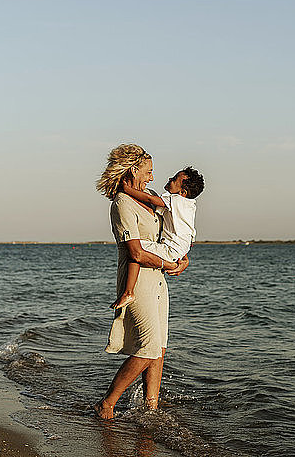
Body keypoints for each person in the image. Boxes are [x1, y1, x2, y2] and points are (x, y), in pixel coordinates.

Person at [94, 144, 189, 419]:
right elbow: (135, 252)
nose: (151, 176)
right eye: (148, 171)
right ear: (133, 170)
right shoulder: (122, 204)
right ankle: (107, 403)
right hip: (138, 281)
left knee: (159, 348)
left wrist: (182, 259)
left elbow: (173, 232)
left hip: (159, 279)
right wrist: (166, 263)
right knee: (147, 347)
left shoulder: (149, 197)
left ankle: (151, 408)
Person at [110, 167, 205, 310]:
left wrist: (127, 190)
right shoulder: (188, 205)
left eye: (174, 180)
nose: (169, 179)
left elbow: (149, 199)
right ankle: (129, 292)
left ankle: (128, 292)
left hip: (172, 249)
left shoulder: (176, 200)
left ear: (182, 192)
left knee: (135, 251)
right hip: (181, 248)